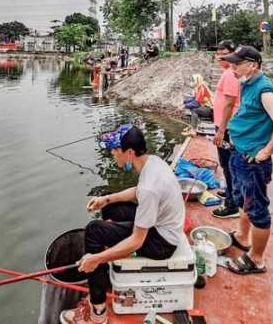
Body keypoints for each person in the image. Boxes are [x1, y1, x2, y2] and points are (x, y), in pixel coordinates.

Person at [60, 124, 184, 324]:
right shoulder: (152, 162)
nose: (112, 154)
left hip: (162, 243)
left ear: (129, 152)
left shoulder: (151, 187)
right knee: (111, 209)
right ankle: (107, 264)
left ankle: (97, 312)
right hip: (160, 225)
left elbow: (137, 240)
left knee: (93, 231)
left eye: (115, 151)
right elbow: (138, 191)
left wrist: (97, 258)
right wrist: (107, 199)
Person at [221, 46, 273, 275]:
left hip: (253, 162)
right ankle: (242, 237)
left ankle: (256, 258)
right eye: (231, 62)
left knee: (258, 210)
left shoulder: (265, 90)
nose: (232, 66)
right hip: (239, 155)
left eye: (237, 62)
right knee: (243, 201)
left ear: (253, 65)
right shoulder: (247, 84)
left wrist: (265, 152)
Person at [211, 41, 241, 219]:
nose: (220, 57)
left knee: (228, 165)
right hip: (226, 125)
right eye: (218, 53)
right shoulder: (229, 73)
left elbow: (230, 103)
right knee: (228, 164)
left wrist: (221, 130)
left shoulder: (230, 74)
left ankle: (232, 205)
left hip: (227, 128)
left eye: (224, 54)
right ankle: (232, 193)